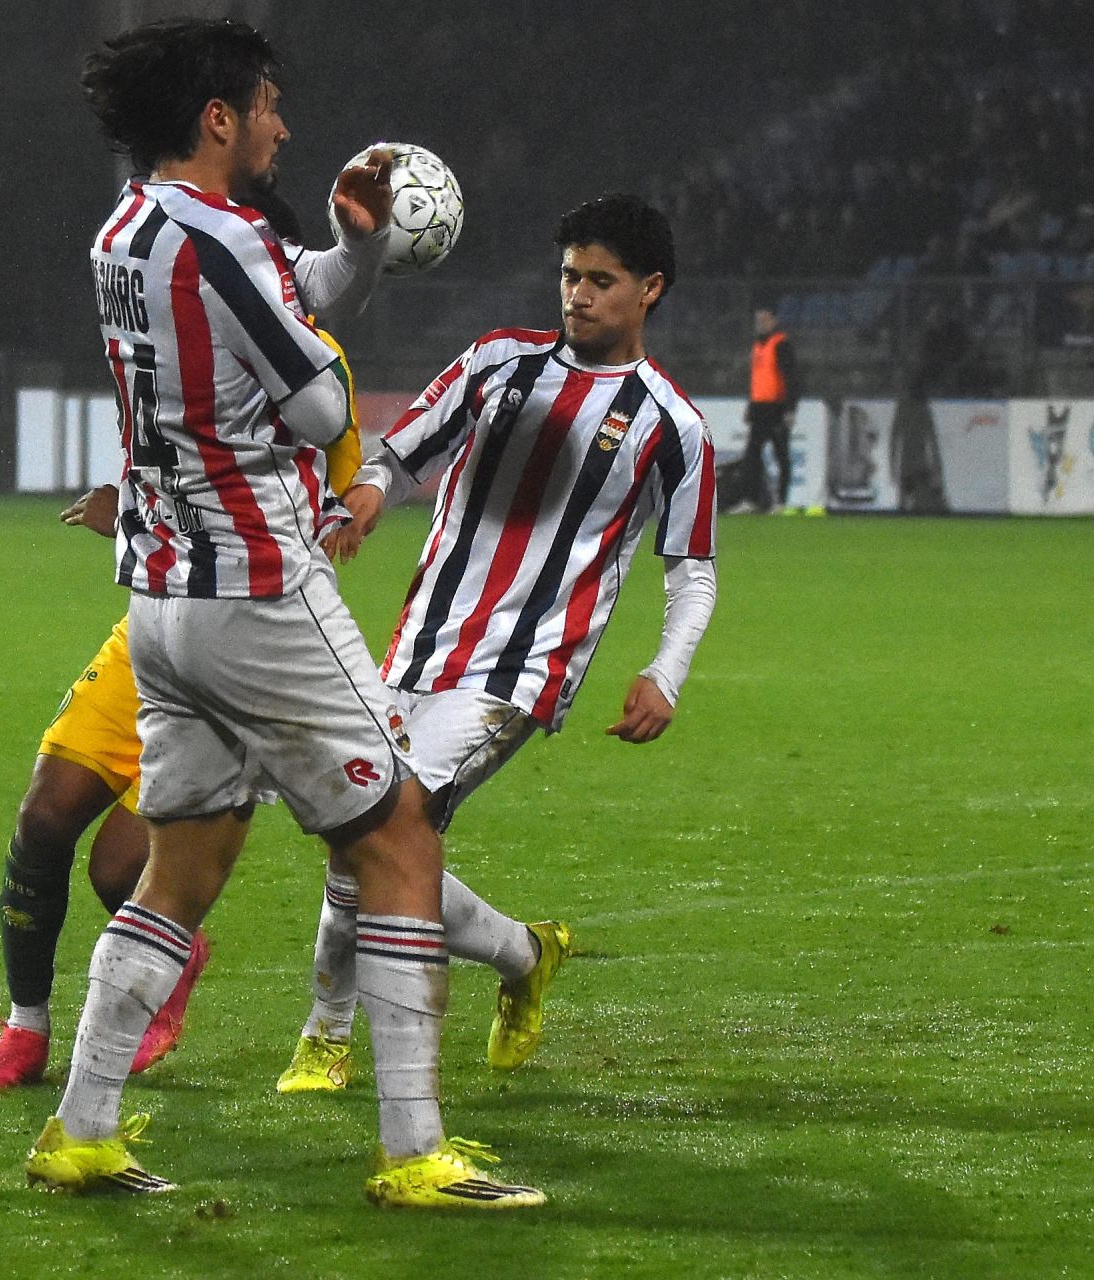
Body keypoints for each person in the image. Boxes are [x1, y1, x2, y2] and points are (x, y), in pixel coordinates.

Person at [22, 17, 544, 1209]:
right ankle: (415, 1150)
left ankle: (81, 1127)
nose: (284, 127)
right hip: (260, 590)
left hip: (163, 597)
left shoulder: (128, 231)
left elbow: (279, 296)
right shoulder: (220, 237)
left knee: (183, 865)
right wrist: (304, 375)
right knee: (398, 836)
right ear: (218, 118)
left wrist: (357, 253)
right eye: (266, 106)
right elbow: (316, 404)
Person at [277, 193, 719, 1092]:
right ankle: (524, 954)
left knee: (379, 827)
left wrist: (664, 672)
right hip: (418, 646)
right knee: (364, 835)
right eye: (569, 275)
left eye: (601, 281)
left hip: (522, 669)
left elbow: (693, 572)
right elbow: (399, 454)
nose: (578, 295)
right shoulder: (496, 363)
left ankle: (325, 1037)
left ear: (649, 290)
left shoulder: (672, 425)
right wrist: (367, 498)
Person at [0, 185, 380, 1091]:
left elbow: (326, 491)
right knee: (43, 816)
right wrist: (126, 512)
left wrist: (353, 504)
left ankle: (174, 988)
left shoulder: (313, 364)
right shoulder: (164, 331)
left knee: (124, 871)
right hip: (154, 617)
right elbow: (166, 465)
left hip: (247, 637)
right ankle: (25, 1027)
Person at [735, 306, 801, 513]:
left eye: (764, 320)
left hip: (777, 407)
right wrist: (751, 406)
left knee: (781, 454)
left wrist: (790, 409)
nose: (760, 324)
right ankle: (750, 499)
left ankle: (780, 501)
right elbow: (758, 380)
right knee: (752, 455)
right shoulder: (758, 346)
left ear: (774, 321)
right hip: (760, 408)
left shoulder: (781, 344)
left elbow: (792, 378)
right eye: (758, 320)